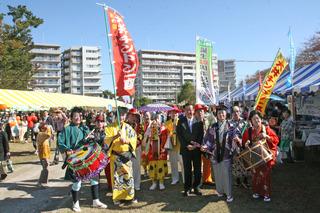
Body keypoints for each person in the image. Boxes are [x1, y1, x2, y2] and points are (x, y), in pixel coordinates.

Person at [58, 107, 107, 212]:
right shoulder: (67, 129)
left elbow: (90, 140)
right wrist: (67, 150)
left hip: (85, 158)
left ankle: (96, 201)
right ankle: (75, 204)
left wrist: (91, 137)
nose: (78, 118)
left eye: (80, 116)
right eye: (75, 116)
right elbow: (60, 142)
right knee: (77, 182)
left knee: (94, 178)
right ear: (71, 118)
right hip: (74, 159)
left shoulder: (84, 128)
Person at [201, 104, 240, 203]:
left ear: (226, 114)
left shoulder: (231, 126)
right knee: (217, 174)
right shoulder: (213, 126)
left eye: (223, 113)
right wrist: (206, 146)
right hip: (215, 154)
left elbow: (236, 135)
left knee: (226, 174)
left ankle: (229, 194)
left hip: (226, 153)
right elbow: (208, 139)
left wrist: (236, 140)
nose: (221, 114)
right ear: (216, 115)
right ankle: (220, 191)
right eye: (219, 113)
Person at [242, 110, 279, 202]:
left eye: (258, 119)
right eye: (254, 119)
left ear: (261, 119)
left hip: (265, 155)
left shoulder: (266, 129)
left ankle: (266, 193)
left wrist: (267, 137)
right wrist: (246, 144)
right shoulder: (248, 131)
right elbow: (244, 144)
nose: (257, 121)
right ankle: (257, 191)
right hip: (254, 157)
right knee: (255, 175)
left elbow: (276, 140)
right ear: (251, 121)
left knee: (265, 175)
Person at [104, 107, 137, 205]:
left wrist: (126, 141)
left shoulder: (128, 127)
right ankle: (118, 198)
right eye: (119, 114)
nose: (121, 117)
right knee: (117, 178)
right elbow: (106, 141)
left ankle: (129, 197)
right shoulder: (109, 127)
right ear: (115, 116)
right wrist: (116, 136)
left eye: (123, 115)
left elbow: (133, 139)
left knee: (128, 177)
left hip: (126, 156)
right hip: (116, 156)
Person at [177, 103, 203, 196]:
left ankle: (196, 187)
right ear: (184, 111)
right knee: (187, 169)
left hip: (196, 150)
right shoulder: (181, 121)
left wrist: (196, 145)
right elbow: (179, 135)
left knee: (197, 169)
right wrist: (186, 145)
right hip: (186, 149)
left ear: (193, 111)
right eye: (187, 110)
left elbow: (201, 135)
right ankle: (187, 188)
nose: (189, 112)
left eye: (191, 110)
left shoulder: (199, 121)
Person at [144, 114, 168, 190]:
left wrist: (160, 132)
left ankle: (161, 182)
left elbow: (165, 138)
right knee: (152, 166)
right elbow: (145, 139)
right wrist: (149, 132)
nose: (156, 121)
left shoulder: (163, 129)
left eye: (157, 119)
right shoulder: (149, 129)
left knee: (160, 165)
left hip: (161, 151)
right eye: (154, 119)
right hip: (152, 151)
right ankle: (154, 182)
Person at [230, 106, 250, 188]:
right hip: (234, 147)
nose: (236, 113)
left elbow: (249, 134)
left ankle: (245, 180)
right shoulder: (229, 123)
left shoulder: (245, 123)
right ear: (231, 113)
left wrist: (242, 140)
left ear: (240, 112)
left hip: (244, 146)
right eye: (234, 111)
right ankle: (238, 180)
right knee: (236, 164)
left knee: (245, 163)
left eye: (237, 111)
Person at [194, 104, 214, 186]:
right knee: (197, 164)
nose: (200, 113)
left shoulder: (207, 120)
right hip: (196, 145)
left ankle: (207, 179)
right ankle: (197, 181)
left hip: (206, 145)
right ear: (195, 113)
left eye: (201, 111)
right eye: (198, 111)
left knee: (207, 162)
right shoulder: (193, 122)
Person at [165, 105, 184, 185]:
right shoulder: (167, 123)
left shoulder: (182, 121)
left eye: (175, 112)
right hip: (172, 146)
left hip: (180, 146)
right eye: (172, 112)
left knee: (182, 163)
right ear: (170, 113)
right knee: (173, 163)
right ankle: (175, 178)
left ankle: (185, 179)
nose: (174, 114)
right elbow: (167, 134)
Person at [126, 108, 144, 191]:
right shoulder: (124, 125)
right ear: (128, 116)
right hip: (127, 149)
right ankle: (129, 185)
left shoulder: (140, 125)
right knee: (128, 167)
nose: (133, 117)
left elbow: (141, 136)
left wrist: (135, 141)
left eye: (135, 116)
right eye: (132, 115)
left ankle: (137, 184)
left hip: (137, 148)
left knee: (136, 167)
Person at [37, 122, 51, 187]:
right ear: (41, 128)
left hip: (46, 153)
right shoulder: (41, 134)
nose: (46, 129)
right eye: (44, 128)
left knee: (45, 169)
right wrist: (47, 127)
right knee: (45, 168)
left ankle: (42, 182)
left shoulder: (43, 134)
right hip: (43, 154)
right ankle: (41, 182)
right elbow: (49, 134)